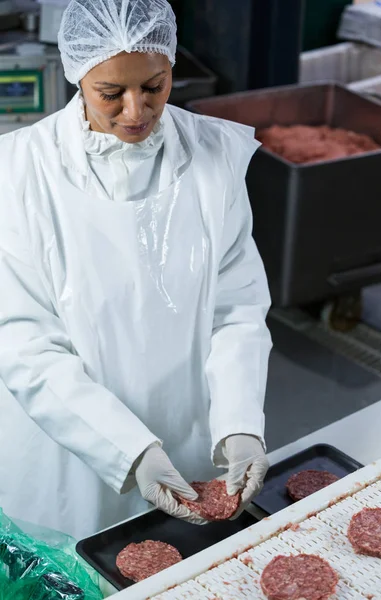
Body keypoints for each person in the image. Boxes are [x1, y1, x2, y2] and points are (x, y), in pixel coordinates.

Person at [0, 0, 272, 540]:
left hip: (193, 433)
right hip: (69, 447)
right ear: (78, 76)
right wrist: (130, 451)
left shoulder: (214, 154)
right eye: (110, 93)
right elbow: (24, 343)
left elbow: (236, 306)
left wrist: (241, 423)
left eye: (154, 86)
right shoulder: (19, 173)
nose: (135, 111)